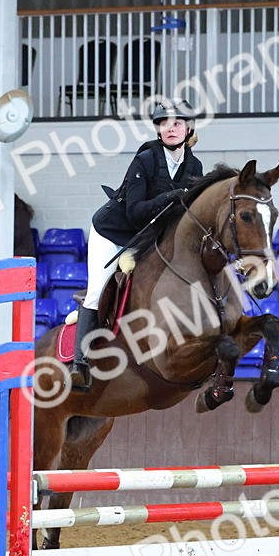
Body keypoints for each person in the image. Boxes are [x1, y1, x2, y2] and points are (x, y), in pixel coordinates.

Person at [71, 99, 204, 390]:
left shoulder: (195, 166)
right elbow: (134, 212)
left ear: (188, 128)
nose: (171, 128)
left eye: (178, 123)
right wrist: (168, 198)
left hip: (147, 238)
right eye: (165, 123)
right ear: (158, 129)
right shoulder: (145, 159)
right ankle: (79, 364)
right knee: (97, 291)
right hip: (113, 233)